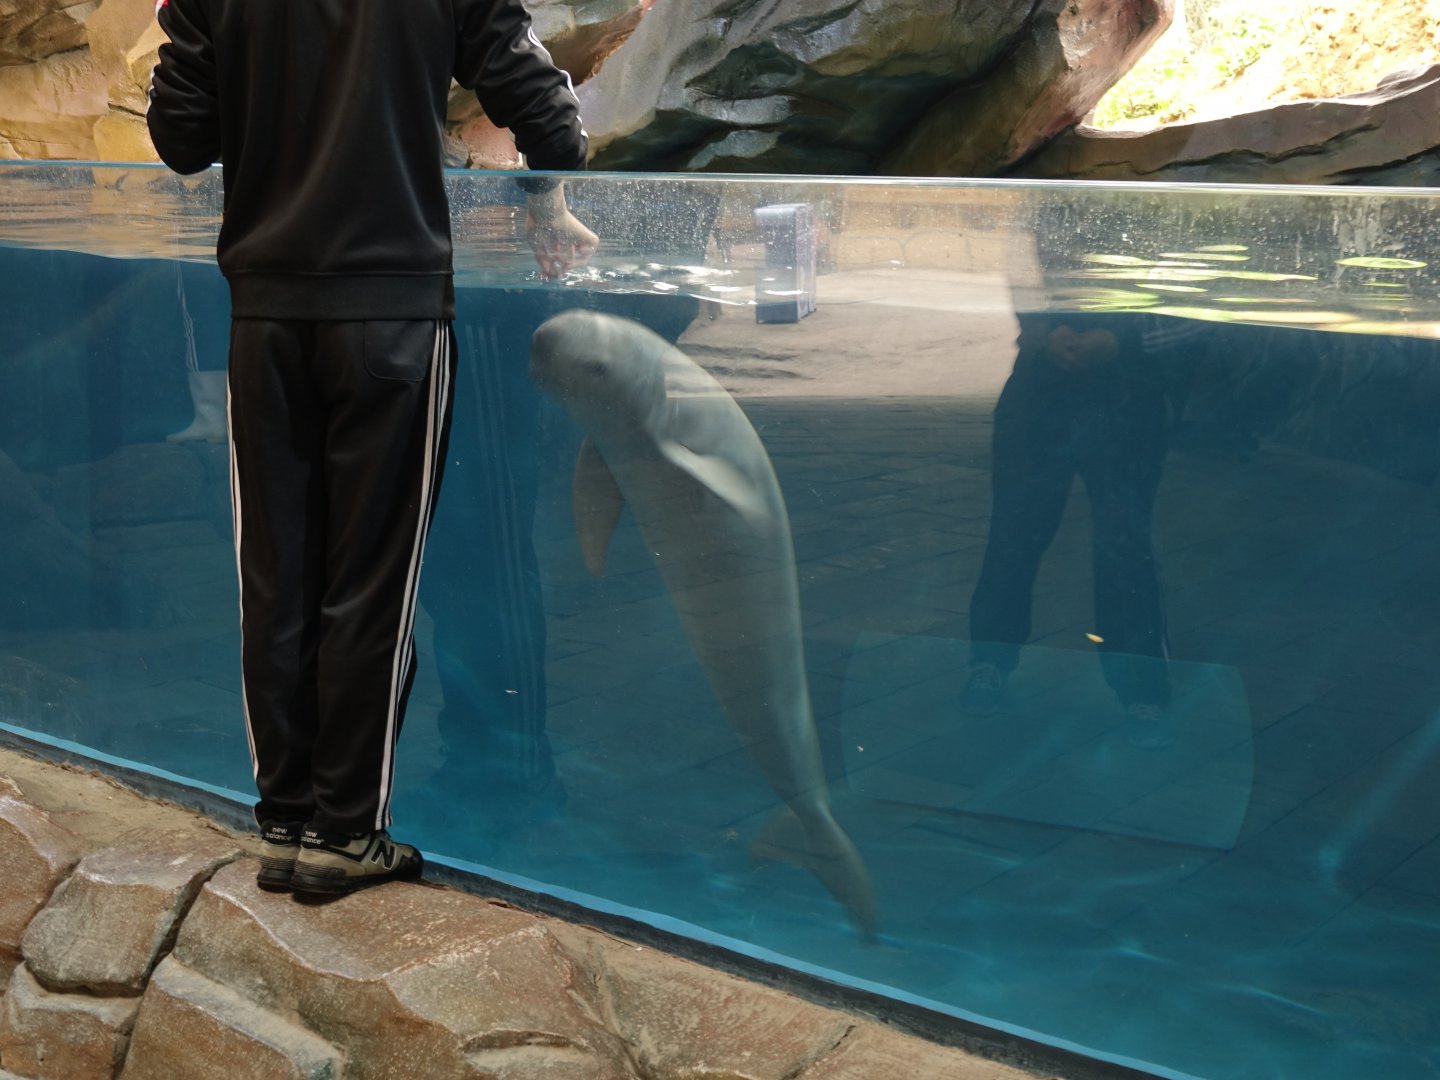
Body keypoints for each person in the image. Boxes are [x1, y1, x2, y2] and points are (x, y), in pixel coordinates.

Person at [147, 0, 598, 896]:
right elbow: (554, 124)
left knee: (275, 575)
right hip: (391, 312)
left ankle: (282, 820)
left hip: (267, 312)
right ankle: (346, 832)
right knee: (371, 582)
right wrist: (545, 193)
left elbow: (179, 139)